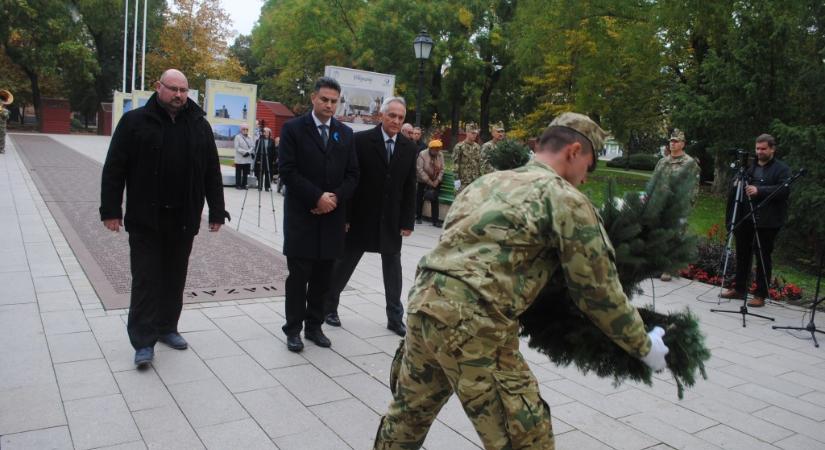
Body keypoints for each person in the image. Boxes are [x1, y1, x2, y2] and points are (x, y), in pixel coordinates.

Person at [373, 112, 669, 450]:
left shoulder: (485, 184)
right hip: (474, 324)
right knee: (525, 437)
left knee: (406, 420)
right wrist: (644, 346)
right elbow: (597, 291)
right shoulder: (565, 199)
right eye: (589, 166)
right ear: (573, 151)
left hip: (424, 309)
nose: (586, 179)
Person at [99, 69, 228, 368]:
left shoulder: (198, 125)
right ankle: (143, 341)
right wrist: (111, 210)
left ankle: (167, 327)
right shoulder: (134, 122)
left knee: (174, 277)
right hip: (146, 219)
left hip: (183, 218)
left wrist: (217, 211)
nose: (179, 95)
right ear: (158, 88)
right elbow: (114, 168)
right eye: (173, 89)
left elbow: (212, 171)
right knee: (145, 279)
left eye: (184, 90)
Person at [278, 76, 359, 352]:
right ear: (314, 98)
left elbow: (353, 175)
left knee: (324, 278)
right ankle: (293, 329)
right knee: (299, 278)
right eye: (324, 99)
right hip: (303, 216)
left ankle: (314, 326)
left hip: (332, 218)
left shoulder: (345, 134)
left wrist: (333, 198)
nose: (328, 105)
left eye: (334, 101)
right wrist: (316, 197)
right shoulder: (293, 129)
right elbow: (287, 171)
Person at [324, 97, 417, 336]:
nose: (396, 121)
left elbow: (409, 188)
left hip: (391, 219)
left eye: (400, 117)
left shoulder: (409, 148)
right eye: (392, 115)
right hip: (361, 216)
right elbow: (351, 180)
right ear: (381, 116)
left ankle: (395, 317)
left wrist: (407, 221)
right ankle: (328, 307)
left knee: (393, 268)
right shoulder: (361, 141)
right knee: (345, 263)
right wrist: (345, 216)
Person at [721, 134, 791, 307]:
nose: (759, 152)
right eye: (757, 149)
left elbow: (783, 190)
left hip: (767, 220)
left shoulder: (781, 169)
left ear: (772, 149)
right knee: (743, 254)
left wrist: (760, 191)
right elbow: (735, 188)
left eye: (763, 149)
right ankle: (739, 288)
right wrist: (736, 181)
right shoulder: (749, 168)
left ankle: (760, 294)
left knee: (762, 256)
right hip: (745, 217)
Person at [654, 129, 700, 281]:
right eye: (671, 141)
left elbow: (693, 189)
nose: (672, 144)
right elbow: (654, 183)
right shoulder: (662, 162)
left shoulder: (689, 163)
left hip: (679, 206)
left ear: (683, 144)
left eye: (676, 141)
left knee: (675, 236)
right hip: (661, 204)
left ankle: (670, 269)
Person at [415, 139, 445, 227]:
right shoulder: (422, 154)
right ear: (430, 148)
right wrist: (429, 181)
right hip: (423, 180)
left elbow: (443, 169)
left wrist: (437, 180)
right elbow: (419, 169)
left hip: (435, 180)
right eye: (435, 149)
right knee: (419, 197)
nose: (437, 151)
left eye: (438, 149)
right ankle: (418, 217)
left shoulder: (440, 155)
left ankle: (435, 221)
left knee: (435, 199)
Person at [451, 124, 481, 193]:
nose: (475, 135)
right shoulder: (459, 147)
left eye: (476, 133)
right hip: (463, 182)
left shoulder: (477, 147)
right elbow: (455, 165)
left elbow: (479, 164)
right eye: (472, 133)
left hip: (475, 181)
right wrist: (457, 182)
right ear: (467, 133)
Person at [254, 127, 276, 191]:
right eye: (265, 132)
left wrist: (274, 160)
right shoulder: (259, 140)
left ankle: (267, 187)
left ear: (269, 133)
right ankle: (260, 186)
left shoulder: (272, 141)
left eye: (267, 132)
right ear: (263, 133)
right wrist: (257, 160)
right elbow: (257, 151)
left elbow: (274, 151)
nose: (266, 133)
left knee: (268, 173)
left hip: (269, 160)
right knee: (260, 173)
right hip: (261, 159)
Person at [234, 124, 254, 189]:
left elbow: (253, 146)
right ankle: (238, 185)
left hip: (247, 159)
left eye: (246, 129)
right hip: (240, 158)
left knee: (246, 173)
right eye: (244, 129)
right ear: (241, 130)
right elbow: (237, 147)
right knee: (238, 173)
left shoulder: (250, 137)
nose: (245, 130)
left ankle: (244, 184)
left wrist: (249, 152)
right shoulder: (237, 137)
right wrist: (245, 152)